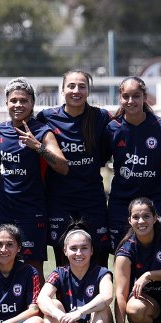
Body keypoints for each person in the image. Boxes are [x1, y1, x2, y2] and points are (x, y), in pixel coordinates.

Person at [0, 78, 69, 277]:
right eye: (14, 100)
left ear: (32, 103)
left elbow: (62, 166)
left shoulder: (42, 132)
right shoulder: (0, 130)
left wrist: (38, 147)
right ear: (7, 103)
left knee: (33, 271)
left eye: (24, 101)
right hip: (3, 209)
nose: (18, 105)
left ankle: (37, 308)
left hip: (31, 211)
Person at [36, 70, 112, 266]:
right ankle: (64, 297)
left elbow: (107, 151)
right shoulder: (46, 117)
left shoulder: (101, 117)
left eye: (81, 86)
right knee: (64, 260)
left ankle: (99, 296)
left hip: (92, 198)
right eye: (71, 86)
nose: (76, 91)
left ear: (88, 91)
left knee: (98, 257)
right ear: (62, 90)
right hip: (59, 200)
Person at [106, 76, 161, 248]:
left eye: (136, 95)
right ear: (120, 98)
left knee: (158, 251)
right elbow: (98, 162)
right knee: (122, 253)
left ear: (145, 97)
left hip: (154, 200)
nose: (131, 101)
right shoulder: (112, 128)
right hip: (121, 201)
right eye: (126, 96)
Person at [37, 223, 116, 323]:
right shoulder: (59, 273)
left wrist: (80, 312)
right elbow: (42, 298)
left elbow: (107, 296)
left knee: (103, 307)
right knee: (53, 304)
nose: (79, 253)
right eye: (73, 248)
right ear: (65, 251)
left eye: (84, 248)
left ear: (92, 250)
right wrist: (59, 315)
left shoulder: (102, 272)